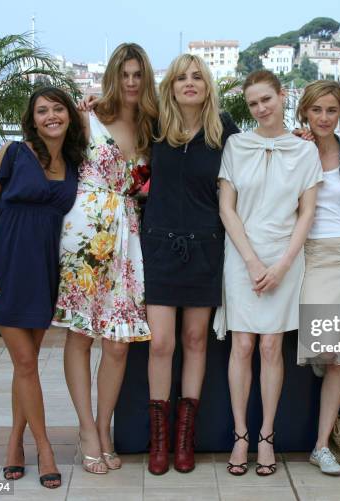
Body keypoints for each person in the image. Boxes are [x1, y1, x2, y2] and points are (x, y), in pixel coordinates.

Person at [53, 43, 157, 475]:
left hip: (129, 238)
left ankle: (104, 425)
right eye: (124, 74)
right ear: (112, 75)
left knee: (116, 343)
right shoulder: (87, 117)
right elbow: (45, 156)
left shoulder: (155, 127)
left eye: (138, 74)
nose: (131, 82)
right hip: (84, 233)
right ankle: (86, 429)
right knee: (80, 335)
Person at [0, 86, 84, 488]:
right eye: (42, 110)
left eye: (58, 108)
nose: (51, 116)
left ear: (69, 115)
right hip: (5, 268)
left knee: (27, 367)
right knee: (25, 364)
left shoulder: (73, 162)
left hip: (44, 271)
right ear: (31, 119)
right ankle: (45, 448)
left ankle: (13, 443)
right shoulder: (14, 153)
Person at [216, 69, 322, 476]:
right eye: (254, 103)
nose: (261, 108)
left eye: (267, 99)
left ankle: (267, 436)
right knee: (242, 346)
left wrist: (280, 265)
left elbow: (307, 212)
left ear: (281, 96)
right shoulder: (236, 146)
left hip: (285, 258)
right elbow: (227, 208)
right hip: (242, 256)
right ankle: (240, 435)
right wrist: (253, 261)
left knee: (271, 348)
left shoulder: (305, 151)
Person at [142, 54, 239, 475]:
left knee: (196, 340)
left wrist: (299, 140)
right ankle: (159, 440)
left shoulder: (226, 131)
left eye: (197, 76)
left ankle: (185, 439)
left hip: (206, 248)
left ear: (208, 85)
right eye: (182, 77)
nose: (189, 83)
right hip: (159, 248)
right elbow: (110, 131)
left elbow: (262, 161)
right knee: (162, 343)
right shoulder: (154, 127)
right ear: (171, 86)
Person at [295, 80, 340, 476]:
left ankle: (321, 446)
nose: (324, 117)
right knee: (324, 349)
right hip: (310, 256)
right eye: (317, 110)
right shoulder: (295, 151)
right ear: (304, 111)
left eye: (331, 110)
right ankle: (325, 359)